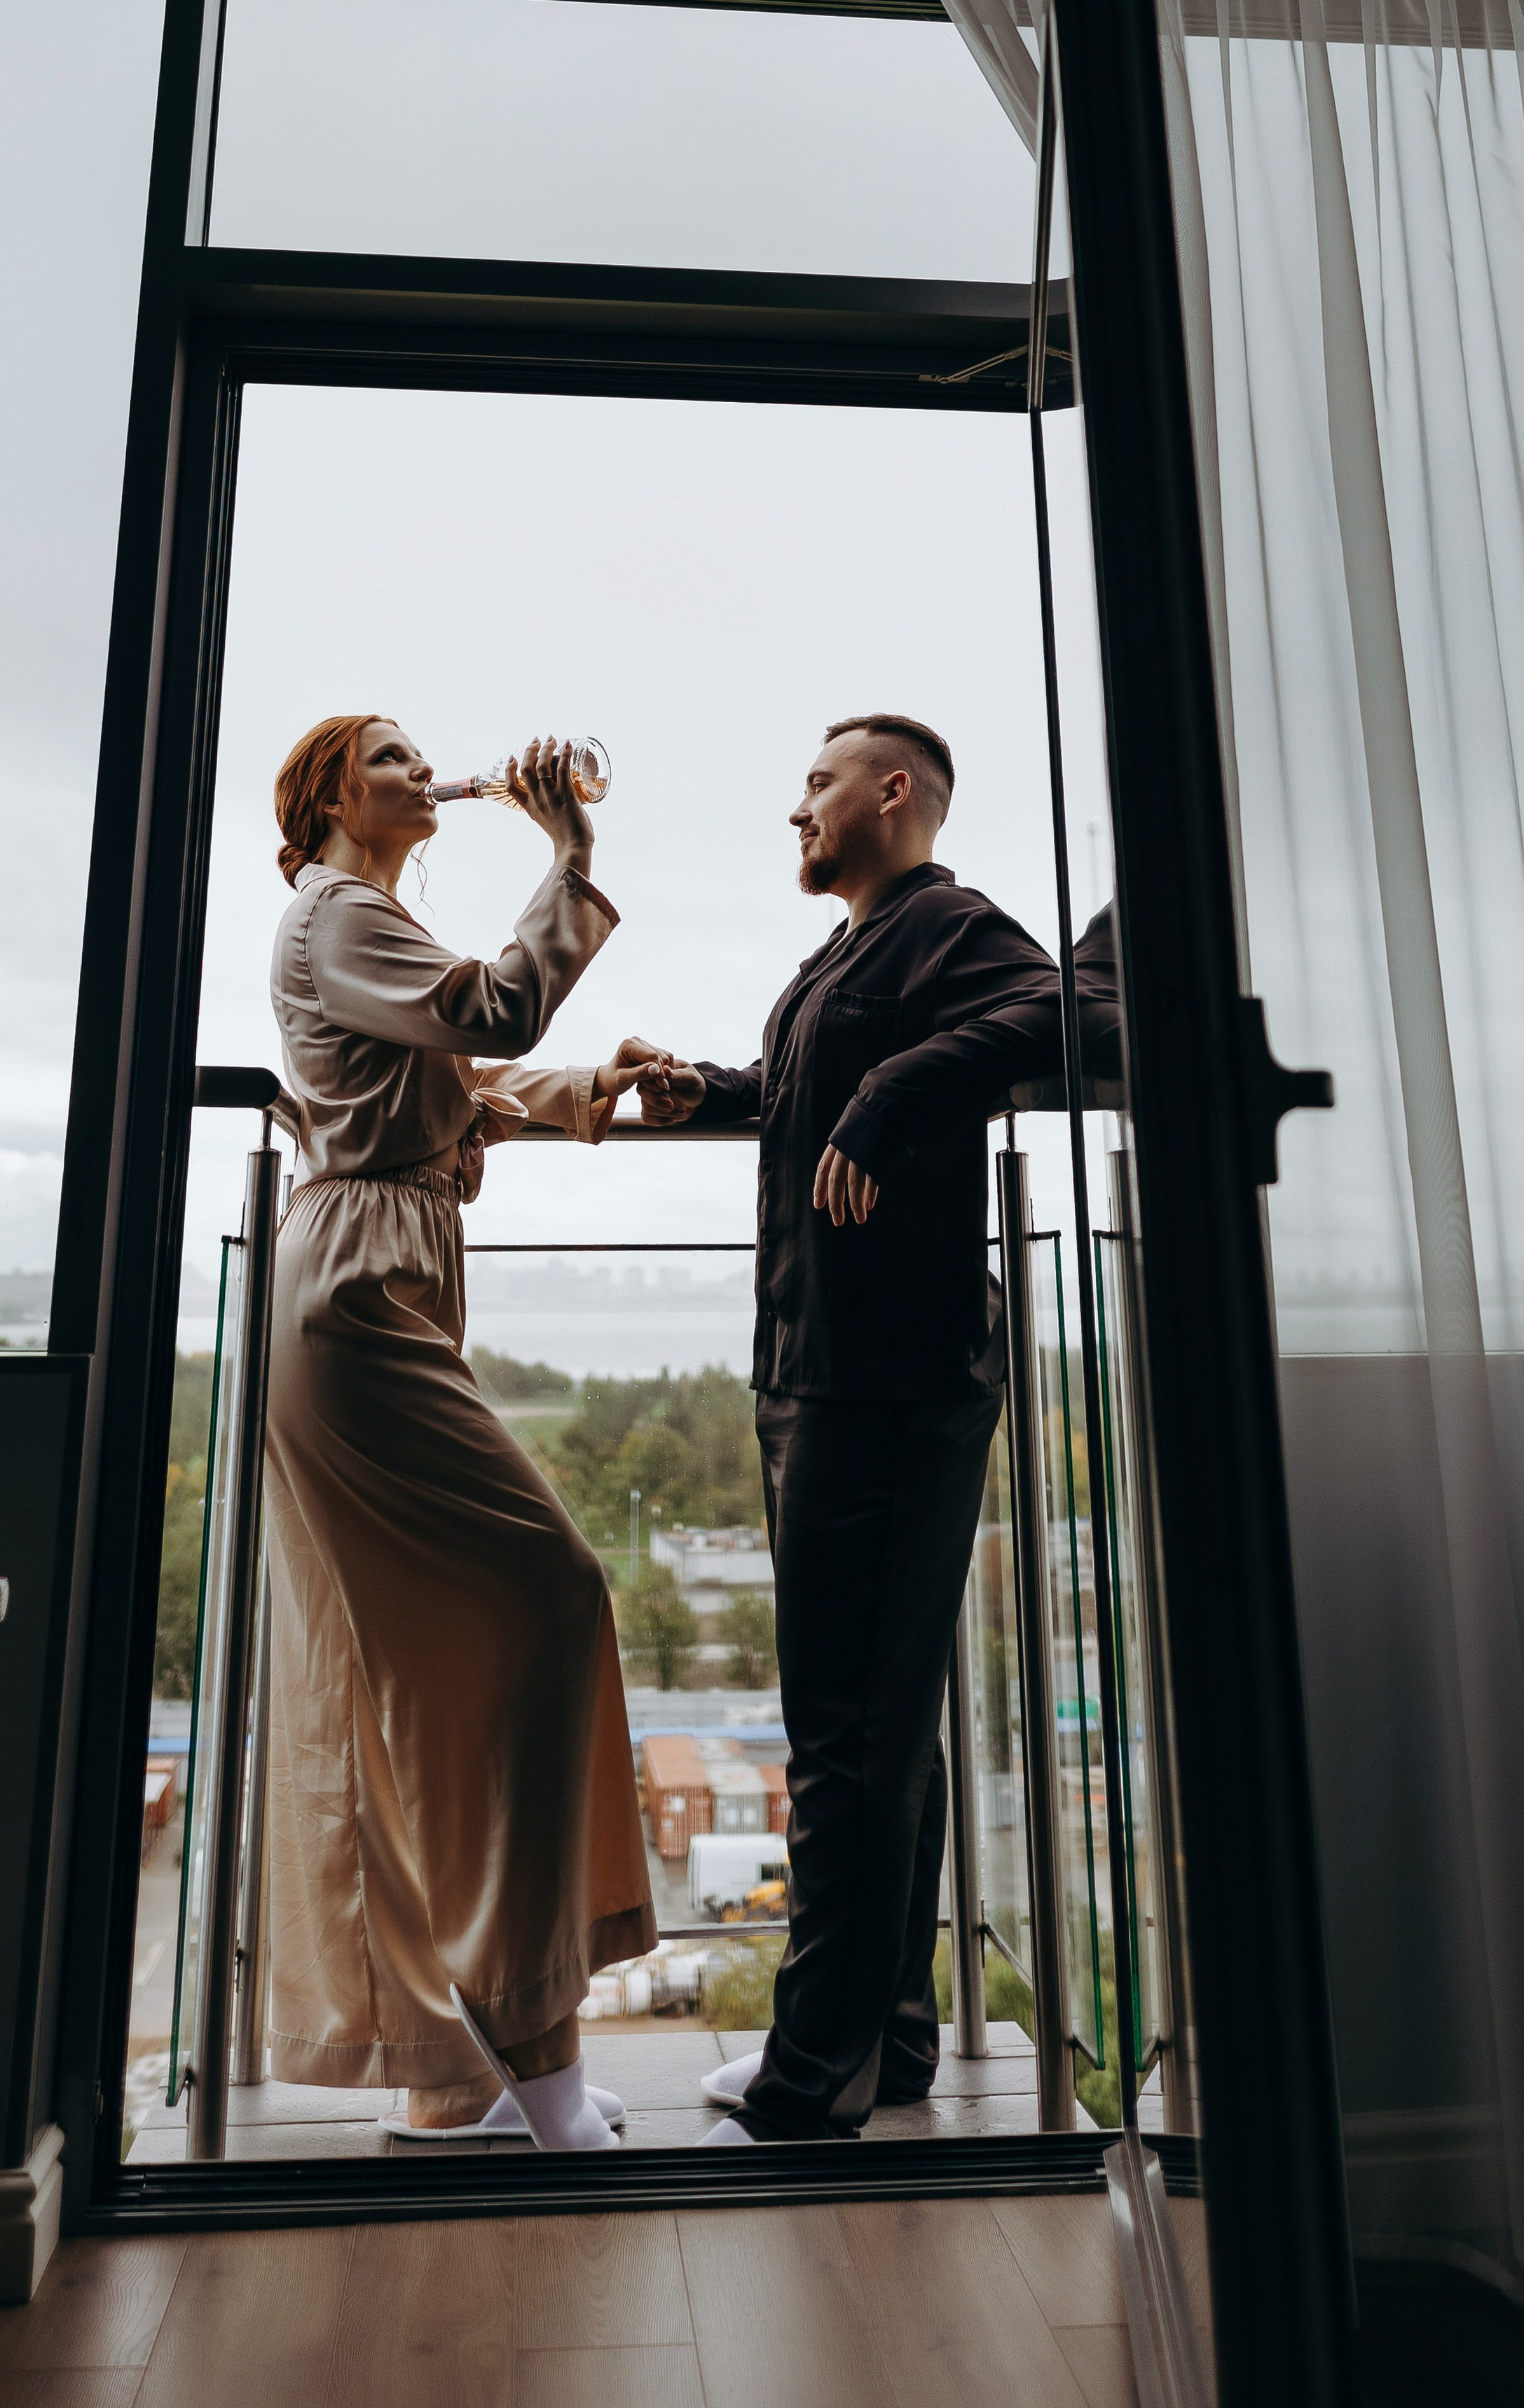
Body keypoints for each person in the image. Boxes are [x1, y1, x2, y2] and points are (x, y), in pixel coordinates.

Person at [640, 714, 1064, 2142]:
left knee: (843, 1730)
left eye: (816, 784)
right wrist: (712, 1086)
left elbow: (1071, 1011)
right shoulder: (846, 957)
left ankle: (810, 2071)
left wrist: (892, 1094)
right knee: (877, 1726)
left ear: (893, 795)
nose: (796, 811)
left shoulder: (949, 925)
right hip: (821, 1370)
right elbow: (803, 1106)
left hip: (884, 1382)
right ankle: (886, 2033)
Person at [263, 715, 664, 2152]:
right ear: (325, 795)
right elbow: (493, 1012)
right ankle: (530, 2062)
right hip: (355, 1302)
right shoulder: (338, 912)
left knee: (427, 1676)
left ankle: (466, 2068)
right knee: (547, 1599)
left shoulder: (370, 925)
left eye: (420, 751)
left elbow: (462, 1083)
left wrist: (597, 1095)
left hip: (385, 1278)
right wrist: (566, 851)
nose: (423, 769)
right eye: (388, 753)